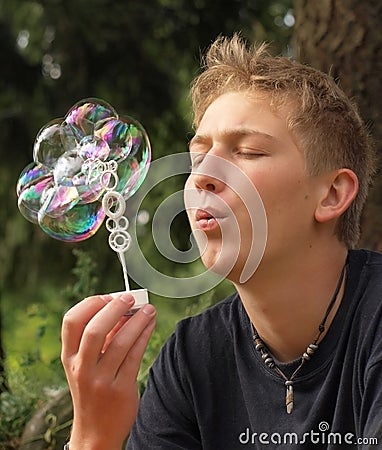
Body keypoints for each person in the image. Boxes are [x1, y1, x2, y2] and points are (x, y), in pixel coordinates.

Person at [61, 35, 382, 449]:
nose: (201, 177)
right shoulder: (191, 358)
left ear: (332, 194)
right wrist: (94, 435)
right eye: (198, 158)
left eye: (248, 151)